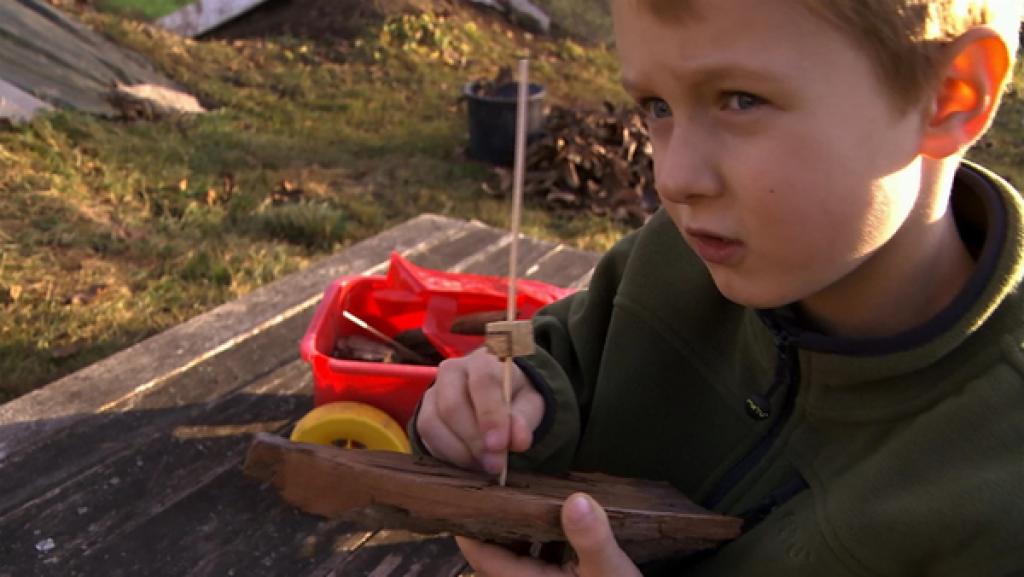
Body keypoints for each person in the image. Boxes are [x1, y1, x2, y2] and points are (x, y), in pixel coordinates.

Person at [413, 0, 1024, 574]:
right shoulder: (668, 266)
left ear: (950, 96)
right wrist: (492, 415)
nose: (674, 177)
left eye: (740, 100)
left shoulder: (996, 491)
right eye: (656, 106)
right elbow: (557, 366)